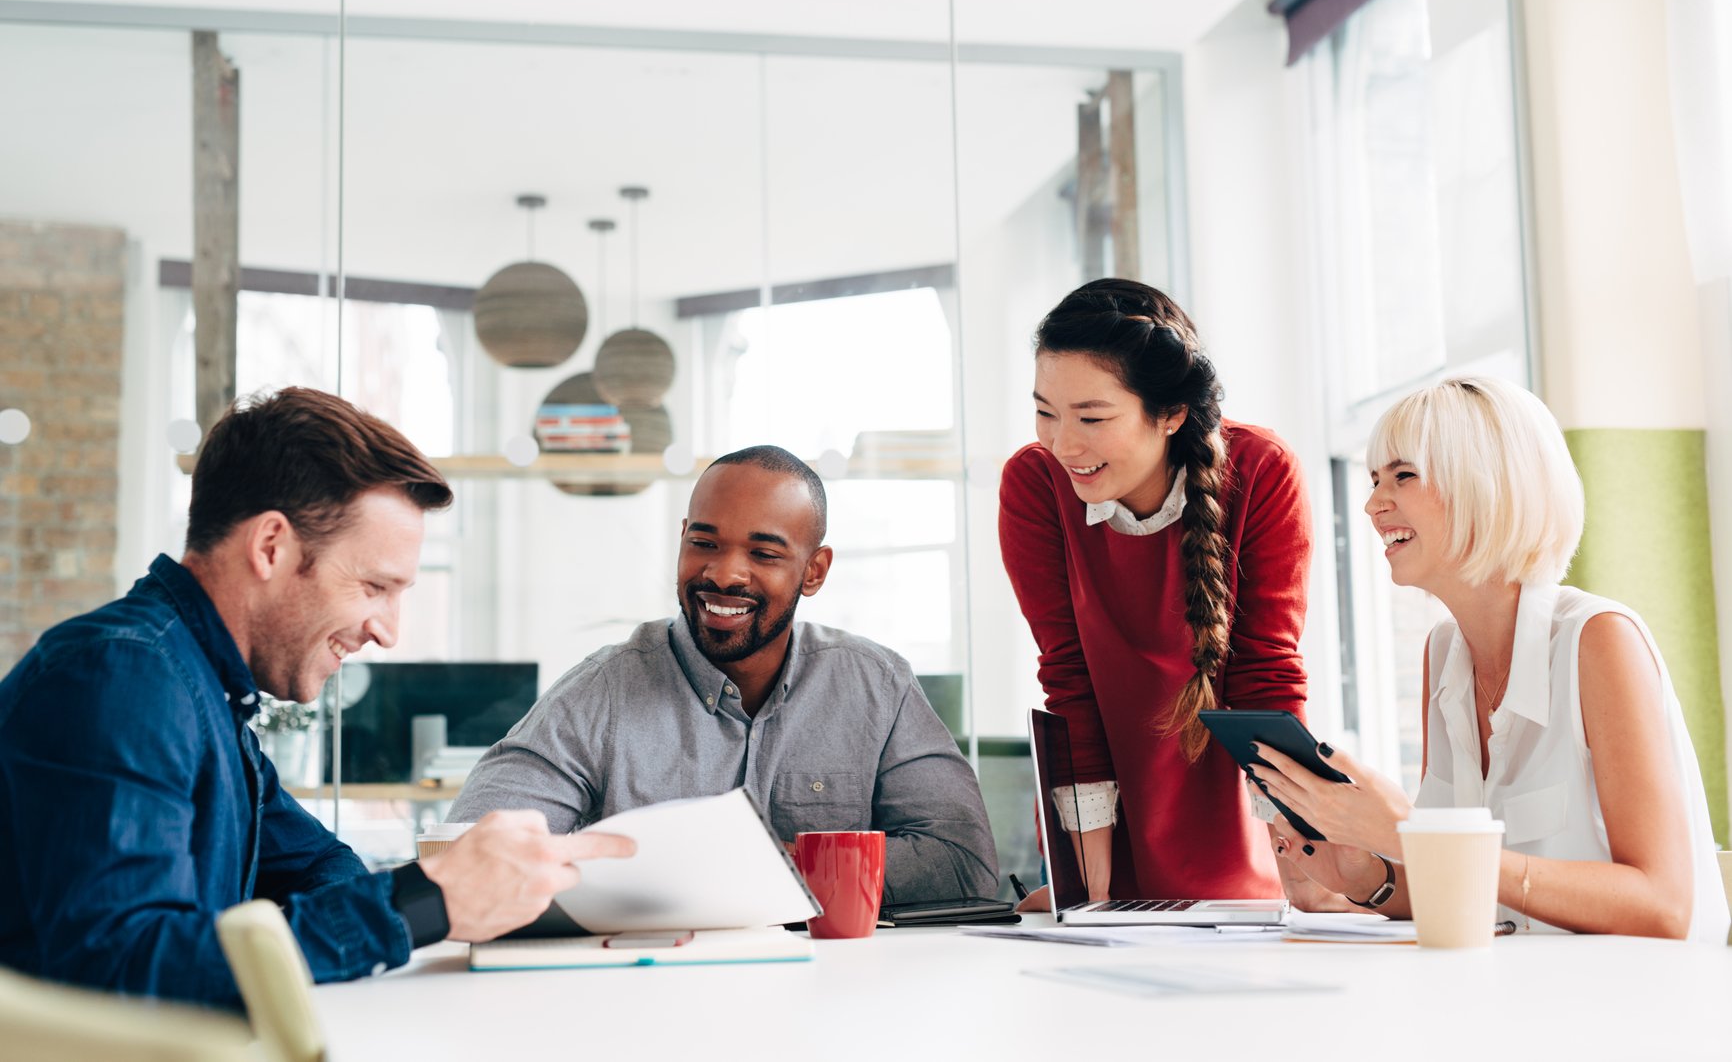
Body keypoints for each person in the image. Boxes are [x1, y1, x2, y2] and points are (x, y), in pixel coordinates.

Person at [0, 388, 634, 1006]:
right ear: (271, 546)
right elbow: (123, 963)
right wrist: (430, 900)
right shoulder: (125, 677)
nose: (388, 631)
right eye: (373, 587)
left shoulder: (208, 692)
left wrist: (420, 902)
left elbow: (321, 864)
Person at [1255, 376, 1730, 942]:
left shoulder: (1599, 639)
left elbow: (1662, 906)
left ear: (1487, 487)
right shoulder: (1443, 653)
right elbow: (1473, 895)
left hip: (1631, 1014)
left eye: (1403, 476)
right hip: (1515, 1002)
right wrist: (1368, 877)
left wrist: (1411, 830)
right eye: (1375, 480)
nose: (1373, 504)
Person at [451, 445, 999, 903]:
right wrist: (824, 868)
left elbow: (964, 864)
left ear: (814, 571)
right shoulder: (603, 692)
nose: (724, 573)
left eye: (763, 553)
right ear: (683, 537)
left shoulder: (875, 685)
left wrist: (742, 864)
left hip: (834, 999)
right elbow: (465, 855)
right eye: (704, 544)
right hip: (650, 997)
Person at [999, 278, 1313, 904]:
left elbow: (1265, 678)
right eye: (1045, 412)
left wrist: (1305, 877)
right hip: (1099, 824)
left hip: (1235, 837)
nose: (1062, 443)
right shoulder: (1035, 484)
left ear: (1170, 414)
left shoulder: (1259, 469)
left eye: (1091, 417)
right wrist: (1087, 896)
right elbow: (1068, 682)